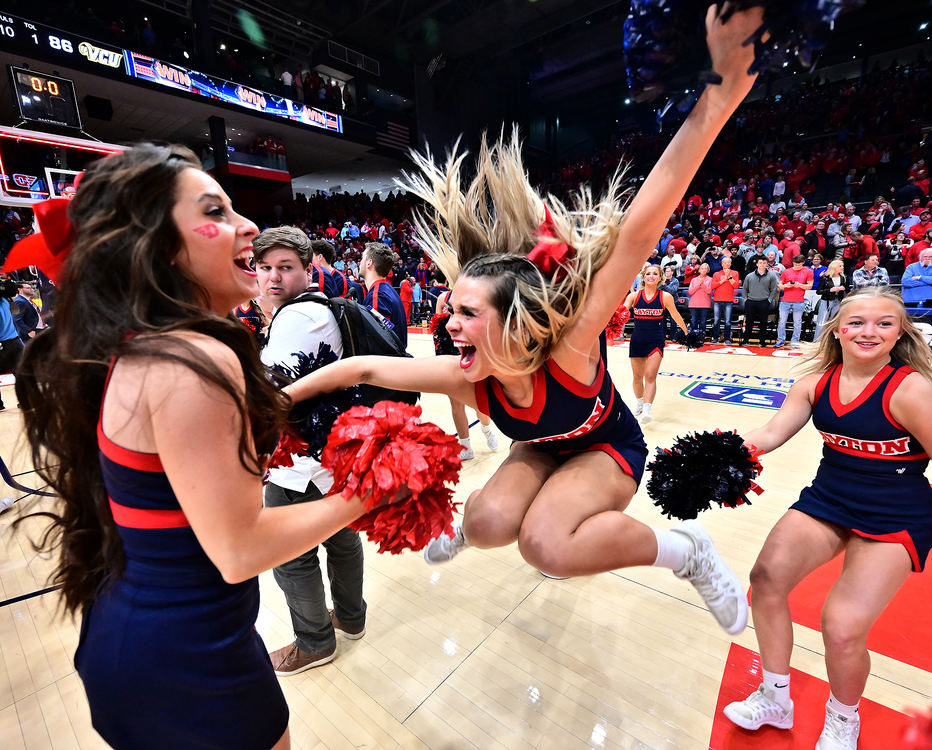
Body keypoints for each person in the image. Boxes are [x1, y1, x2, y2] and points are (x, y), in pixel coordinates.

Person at [286, 5, 765, 636]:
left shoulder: (571, 344)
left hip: (605, 448)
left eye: (464, 312)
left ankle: (686, 552)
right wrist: (277, 400)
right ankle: (479, 522)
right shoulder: (469, 375)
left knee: (547, 546)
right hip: (541, 448)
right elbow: (365, 364)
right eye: (450, 308)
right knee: (486, 526)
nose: (447, 323)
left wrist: (719, 97)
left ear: (516, 319)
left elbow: (641, 227)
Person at [9, 144, 406, 750]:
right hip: (187, 653)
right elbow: (239, 549)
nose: (247, 226)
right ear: (164, 250)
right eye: (216, 212)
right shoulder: (198, 359)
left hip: (145, 635)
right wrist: (372, 489)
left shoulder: (148, 344)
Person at [723, 287, 932, 750]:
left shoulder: (912, 389)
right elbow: (773, 432)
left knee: (840, 628)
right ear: (837, 328)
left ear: (900, 333)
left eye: (884, 323)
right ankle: (775, 698)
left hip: (896, 514)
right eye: (857, 321)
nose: (869, 331)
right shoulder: (814, 383)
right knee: (767, 578)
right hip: (830, 499)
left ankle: (843, 719)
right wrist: (714, 453)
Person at [254, 226, 368, 676]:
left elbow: (264, 393)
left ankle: (315, 642)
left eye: (285, 268)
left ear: (308, 269)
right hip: (329, 454)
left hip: (298, 464)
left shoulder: (297, 318)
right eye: (264, 268)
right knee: (341, 536)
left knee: (290, 555)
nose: (273, 278)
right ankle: (351, 619)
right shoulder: (316, 310)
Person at [433, 286, 499, 460]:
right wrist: (440, 358)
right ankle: (465, 445)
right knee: (456, 404)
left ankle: (486, 429)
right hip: (451, 355)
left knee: (479, 402)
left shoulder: (476, 296)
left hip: (473, 354)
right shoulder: (442, 298)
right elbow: (436, 330)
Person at [624, 265, 688, 424]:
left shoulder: (665, 296)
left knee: (650, 376)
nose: (651, 276)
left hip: (656, 339)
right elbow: (621, 315)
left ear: (660, 278)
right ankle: (639, 403)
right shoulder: (633, 297)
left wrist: (687, 332)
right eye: (648, 274)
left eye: (655, 274)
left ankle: (646, 409)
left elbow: (675, 315)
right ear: (643, 277)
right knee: (637, 377)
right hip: (637, 339)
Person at [360, 241, 407, 347]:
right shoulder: (388, 290)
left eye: (362, 258)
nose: (360, 262)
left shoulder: (377, 296)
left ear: (369, 263)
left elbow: (378, 345)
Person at [776, 254, 813, 348]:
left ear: (803, 263)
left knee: (797, 322)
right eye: (795, 264)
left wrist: (800, 285)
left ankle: (795, 341)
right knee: (782, 321)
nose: (796, 266)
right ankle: (781, 339)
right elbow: (779, 286)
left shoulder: (808, 271)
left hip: (799, 301)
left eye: (798, 264)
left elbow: (810, 286)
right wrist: (786, 286)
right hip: (785, 300)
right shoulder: (786, 271)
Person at [741, 257, 779, 348]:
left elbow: (773, 289)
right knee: (749, 322)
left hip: (764, 302)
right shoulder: (749, 276)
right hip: (751, 302)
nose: (762, 264)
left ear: (767, 264)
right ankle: (745, 340)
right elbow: (744, 289)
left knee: (763, 323)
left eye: (764, 263)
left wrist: (769, 300)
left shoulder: (772, 275)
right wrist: (746, 300)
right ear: (757, 264)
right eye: (760, 263)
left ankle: (762, 341)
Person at [814, 259, 848, 340]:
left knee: (834, 322)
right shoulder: (826, 278)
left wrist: (843, 289)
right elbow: (818, 291)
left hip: (838, 301)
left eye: (842, 266)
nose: (842, 267)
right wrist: (830, 290)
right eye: (840, 266)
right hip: (826, 301)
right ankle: (817, 342)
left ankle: (831, 342)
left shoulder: (843, 277)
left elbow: (847, 290)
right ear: (834, 267)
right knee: (821, 322)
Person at [711, 256, 740, 344]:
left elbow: (736, 286)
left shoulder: (735, 273)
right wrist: (724, 279)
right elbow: (713, 286)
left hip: (729, 300)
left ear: (731, 264)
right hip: (717, 300)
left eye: (728, 262)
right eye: (725, 262)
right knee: (716, 320)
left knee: (727, 321)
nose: (727, 264)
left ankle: (727, 338)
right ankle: (715, 338)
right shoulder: (716, 274)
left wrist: (729, 277)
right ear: (722, 264)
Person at [687, 262, 713, 341]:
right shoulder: (694, 280)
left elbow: (709, 292)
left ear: (708, 270)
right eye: (702, 268)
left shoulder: (710, 279)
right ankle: (693, 337)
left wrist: (703, 285)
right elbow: (690, 292)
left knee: (702, 322)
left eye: (705, 268)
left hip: (705, 304)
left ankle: (701, 338)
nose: (704, 270)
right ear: (699, 270)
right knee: (694, 321)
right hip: (694, 304)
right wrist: (699, 285)